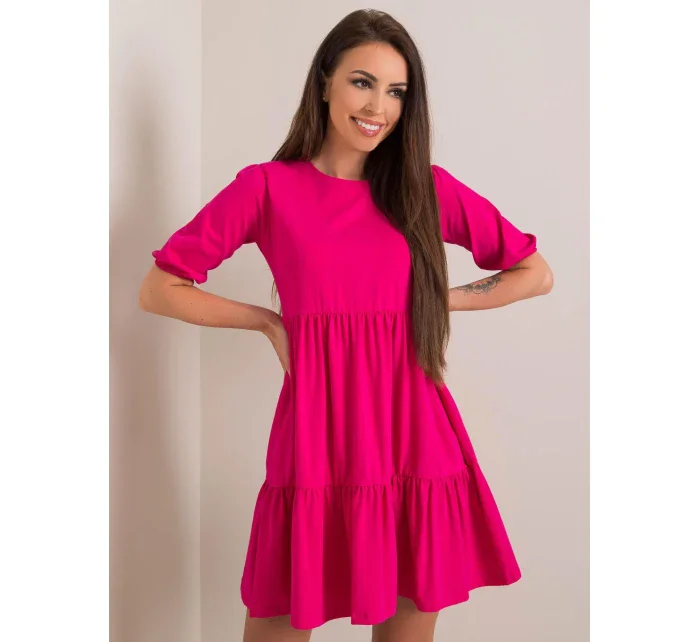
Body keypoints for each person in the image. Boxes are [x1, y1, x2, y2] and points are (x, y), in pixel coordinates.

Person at [139, 8, 553, 642]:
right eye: (363, 82)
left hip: (414, 438)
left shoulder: (423, 188)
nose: (378, 107)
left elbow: (534, 273)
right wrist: (266, 322)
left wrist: (433, 301)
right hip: (314, 442)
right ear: (325, 81)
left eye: (396, 91)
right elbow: (160, 287)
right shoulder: (266, 189)